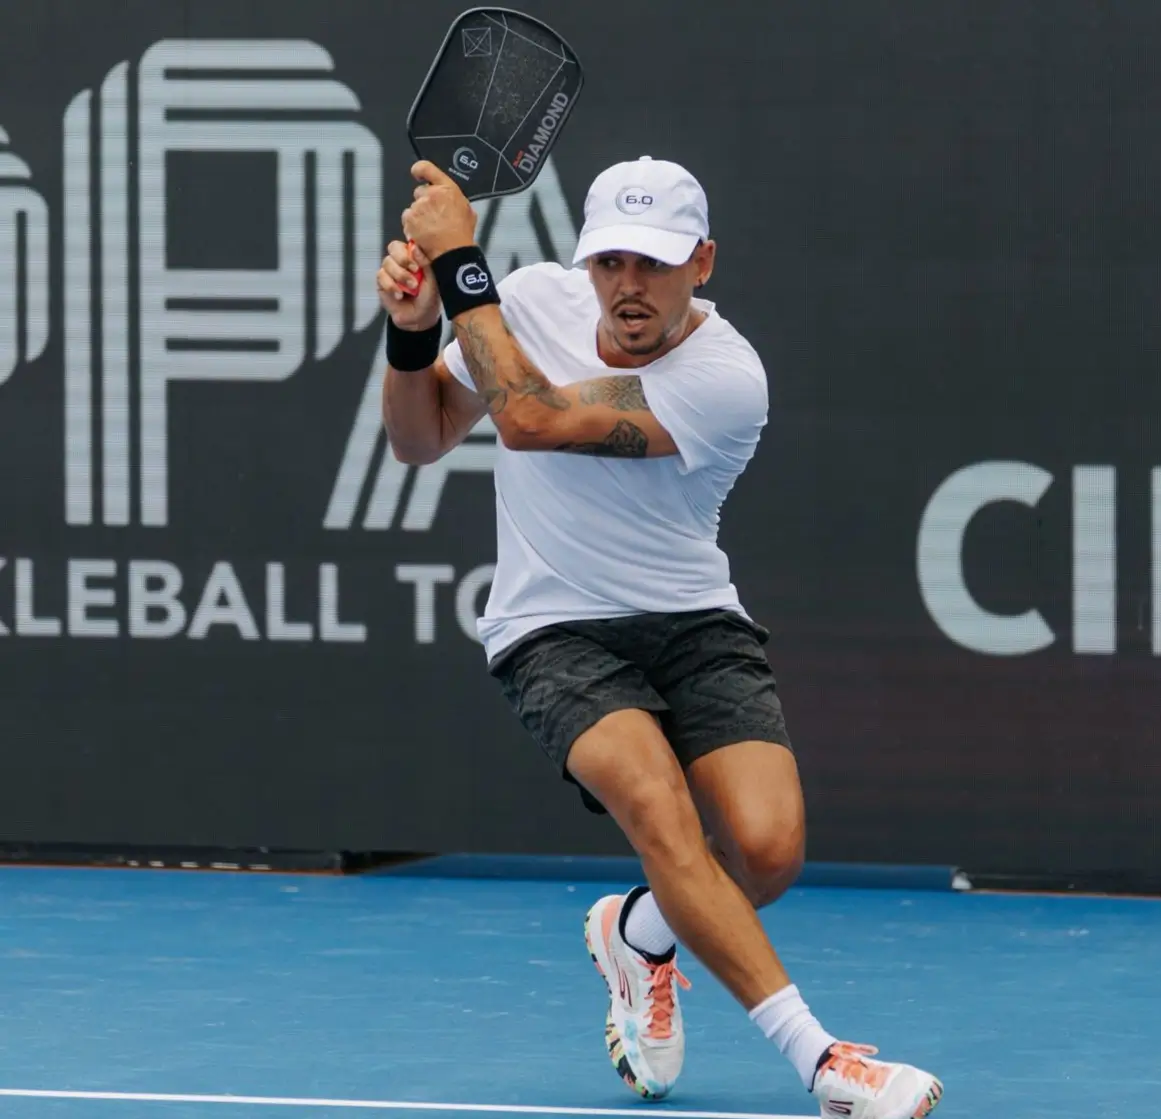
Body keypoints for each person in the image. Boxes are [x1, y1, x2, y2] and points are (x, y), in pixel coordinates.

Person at [376, 154, 943, 1119]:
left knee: (768, 852)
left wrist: (461, 263)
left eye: (655, 262)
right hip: (551, 628)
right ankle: (826, 1065)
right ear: (584, 261)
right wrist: (411, 330)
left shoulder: (729, 378)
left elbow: (531, 419)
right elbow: (422, 437)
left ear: (703, 263)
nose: (629, 286)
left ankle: (637, 931)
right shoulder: (527, 300)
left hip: (692, 622)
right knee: (658, 809)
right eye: (609, 262)